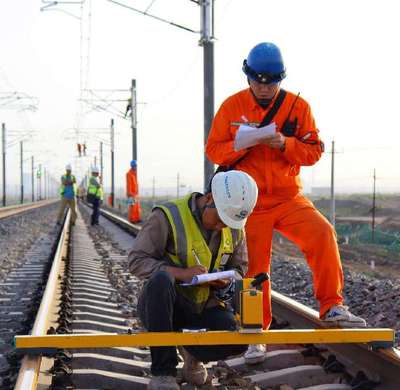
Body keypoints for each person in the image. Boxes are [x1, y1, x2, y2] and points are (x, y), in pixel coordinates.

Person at [206, 42, 366, 364]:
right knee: (254, 268)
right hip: (249, 202)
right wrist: (242, 145)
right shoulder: (230, 107)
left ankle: (332, 306)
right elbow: (214, 151)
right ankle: (254, 332)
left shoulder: (298, 107)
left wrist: (284, 144)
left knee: (322, 233)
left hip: (288, 196)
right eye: (258, 81)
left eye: (271, 82)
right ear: (248, 76)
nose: (264, 88)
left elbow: (314, 150)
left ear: (280, 79)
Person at [129, 170, 258, 390]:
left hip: (204, 306)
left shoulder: (235, 227)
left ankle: (192, 354)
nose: (222, 226)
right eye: (219, 219)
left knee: (238, 338)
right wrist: (181, 274)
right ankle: (163, 372)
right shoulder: (168, 216)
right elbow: (137, 261)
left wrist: (225, 282)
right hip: (164, 307)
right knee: (161, 280)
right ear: (208, 199)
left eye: (228, 222)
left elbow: (239, 268)